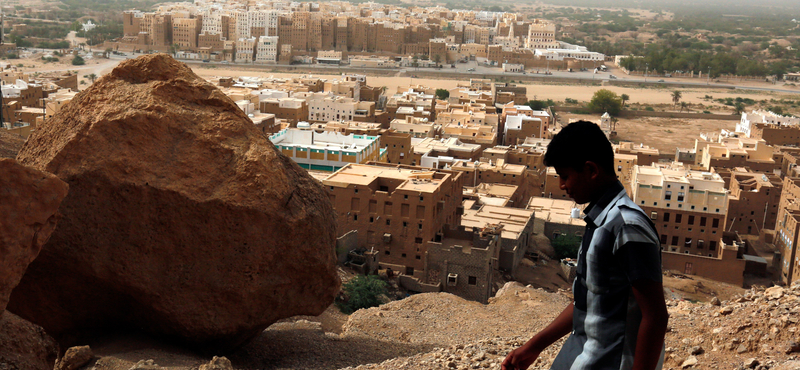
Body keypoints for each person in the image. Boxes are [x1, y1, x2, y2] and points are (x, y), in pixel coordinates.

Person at [502, 121, 669, 370]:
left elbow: (655, 316)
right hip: (581, 356)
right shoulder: (600, 222)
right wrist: (533, 347)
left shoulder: (627, 226)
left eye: (565, 176)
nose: (561, 185)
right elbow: (588, 302)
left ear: (591, 170)